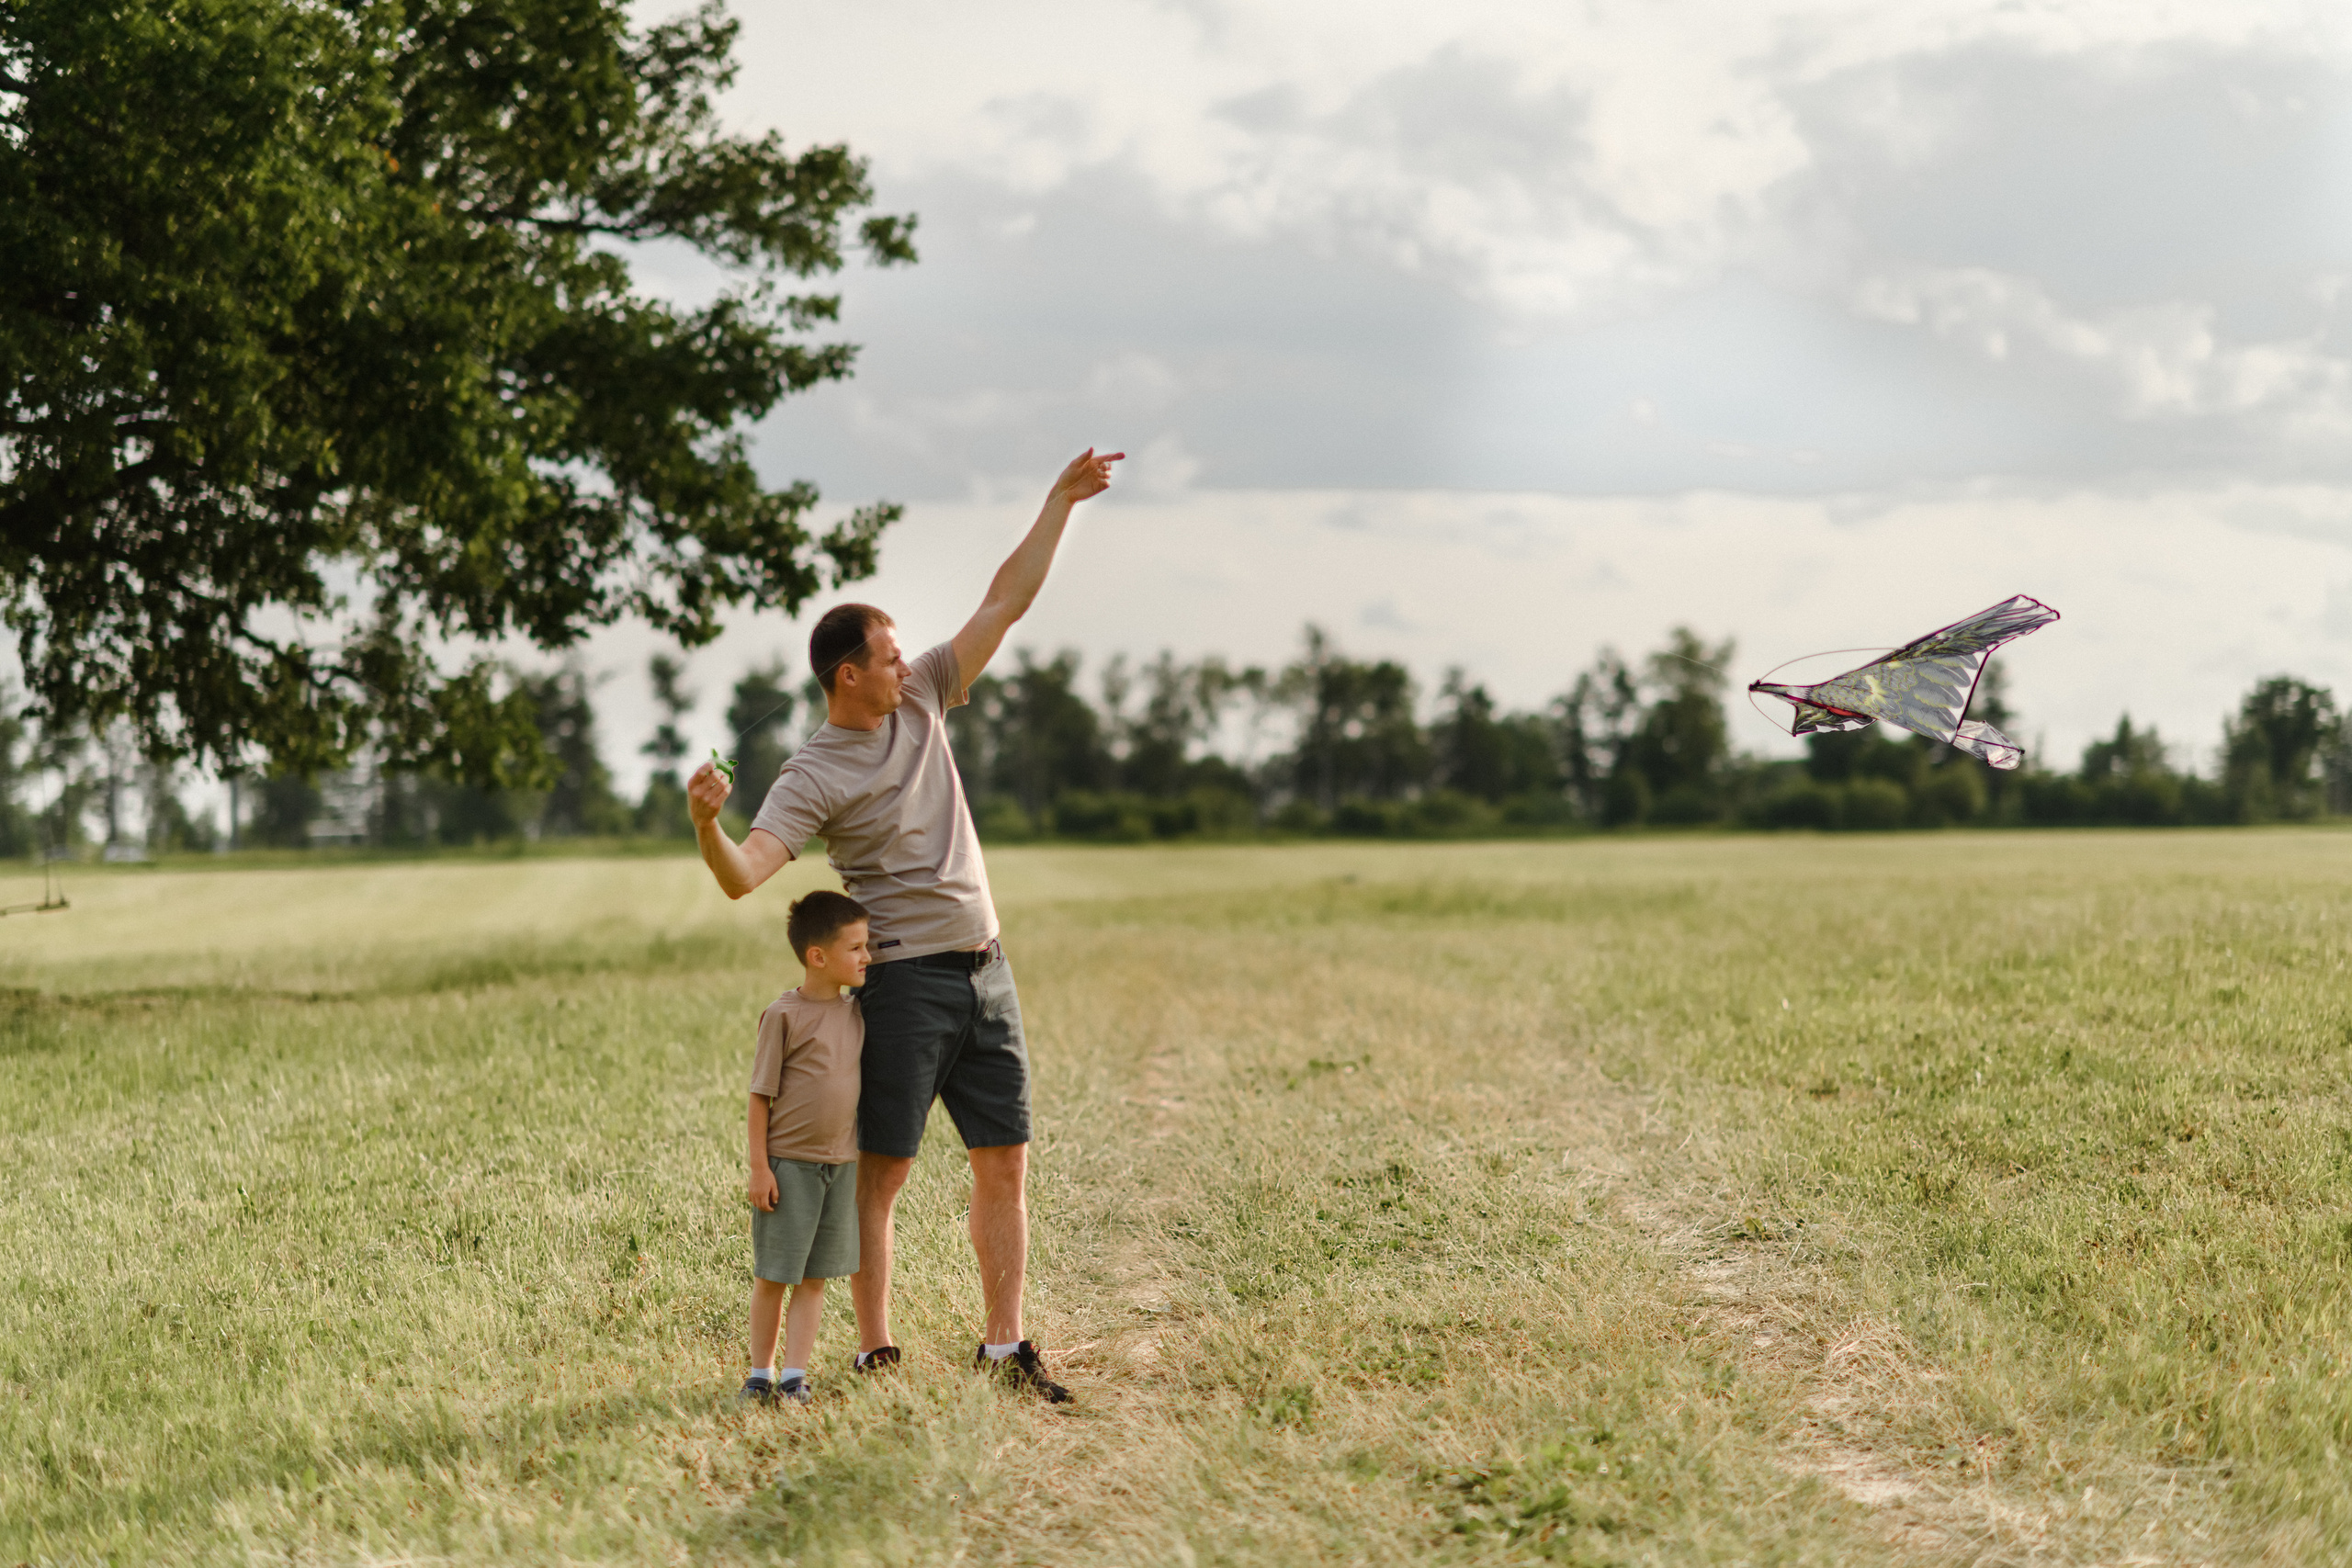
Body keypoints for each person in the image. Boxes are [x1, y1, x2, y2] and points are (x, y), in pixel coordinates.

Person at [687, 447, 1124, 1404]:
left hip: (986, 966)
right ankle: (876, 1348)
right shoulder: (812, 774)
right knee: (883, 1171)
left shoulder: (924, 694)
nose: (908, 660)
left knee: (1003, 1159)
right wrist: (705, 826)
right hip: (906, 981)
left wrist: (1057, 501)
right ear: (850, 677)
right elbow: (745, 876)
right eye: (889, 655)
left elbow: (1005, 601)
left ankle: (1004, 1347)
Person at [741, 889, 871, 1406]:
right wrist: (759, 1168)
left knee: (815, 1278)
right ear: (818, 956)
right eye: (856, 947)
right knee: (775, 1275)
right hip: (789, 1167)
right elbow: (759, 1098)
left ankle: (796, 1374)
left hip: (841, 1166)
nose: (867, 957)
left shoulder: (858, 1012)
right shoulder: (783, 1015)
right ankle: (760, 1372)